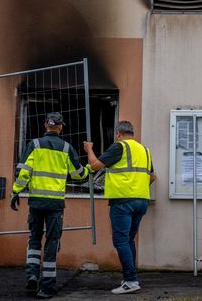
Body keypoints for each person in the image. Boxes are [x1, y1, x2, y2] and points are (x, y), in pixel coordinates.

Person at [10, 112, 89, 299]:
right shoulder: (66, 148)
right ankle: (46, 287)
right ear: (60, 127)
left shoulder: (34, 145)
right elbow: (78, 175)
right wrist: (88, 171)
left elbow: (23, 173)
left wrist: (15, 192)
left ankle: (31, 275)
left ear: (46, 125)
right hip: (55, 205)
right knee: (52, 242)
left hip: (36, 202)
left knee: (35, 239)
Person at [83, 120, 156, 295]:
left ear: (118, 134)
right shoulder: (144, 150)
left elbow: (94, 166)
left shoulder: (119, 147)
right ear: (132, 132)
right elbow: (152, 177)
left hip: (122, 201)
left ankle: (131, 281)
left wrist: (89, 149)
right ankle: (130, 278)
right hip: (141, 200)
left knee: (121, 241)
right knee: (129, 240)